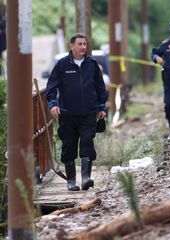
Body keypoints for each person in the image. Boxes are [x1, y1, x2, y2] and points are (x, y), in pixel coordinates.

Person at [46, 33, 107, 191]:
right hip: (67, 114)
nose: (83, 47)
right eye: (79, 44)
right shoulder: (62, 65)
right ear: (71, 46)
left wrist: (101, 107)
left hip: (88, 113)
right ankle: (71, 181)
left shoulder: (92, 64)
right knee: (69, 146)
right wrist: (53, 104)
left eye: (84, 44)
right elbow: (51, 87)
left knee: (87, 142)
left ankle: (86, 178)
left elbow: (100, 87)